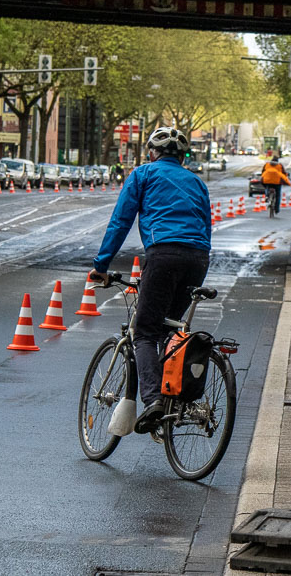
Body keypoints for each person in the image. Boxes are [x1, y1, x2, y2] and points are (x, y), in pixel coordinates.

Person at [88, 127, 211, 435]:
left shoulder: (143, 175)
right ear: (182, 158)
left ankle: (154, 401)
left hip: (163, 257)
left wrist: (101, 266)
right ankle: (175, 399)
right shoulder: (196, 181)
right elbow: (206, 227)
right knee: (170, 327)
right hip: (197, 259)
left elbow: (120, 221)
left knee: (144, 331)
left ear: (152, 153)